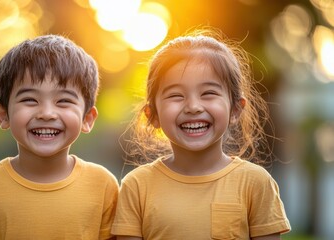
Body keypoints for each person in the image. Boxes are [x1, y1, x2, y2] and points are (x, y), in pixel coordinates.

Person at [111, 28, 291, 239]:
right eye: (176, 95)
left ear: (235, 109)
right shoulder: (137, 186)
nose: (193, 106)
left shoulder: (255, 182)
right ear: (153, 115)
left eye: (208, 93)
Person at [0, 35, 119, 240]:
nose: (46, 113)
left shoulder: (102, 185)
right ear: (3, 115)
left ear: (87, 118)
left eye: (64, 100)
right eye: (30, 100)